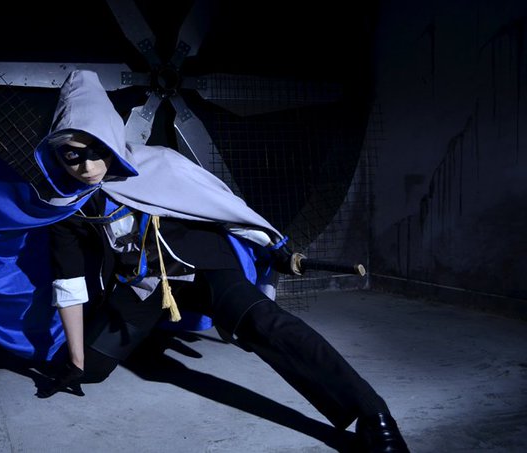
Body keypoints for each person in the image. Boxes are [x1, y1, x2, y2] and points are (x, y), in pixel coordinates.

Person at [29, 69, 410, 453]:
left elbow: (224, 208)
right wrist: (76, 359)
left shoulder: (160, 165)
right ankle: (147, 336)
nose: (86, 167)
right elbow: (69, 281)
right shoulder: (65, 206)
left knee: (267, 325)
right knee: (91, 371)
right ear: (55, 154)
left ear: (111, 137)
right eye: (71, 155)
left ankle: (373, 413)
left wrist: (273, 246)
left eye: (96, 149)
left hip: (205, 269)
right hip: (144, 286)